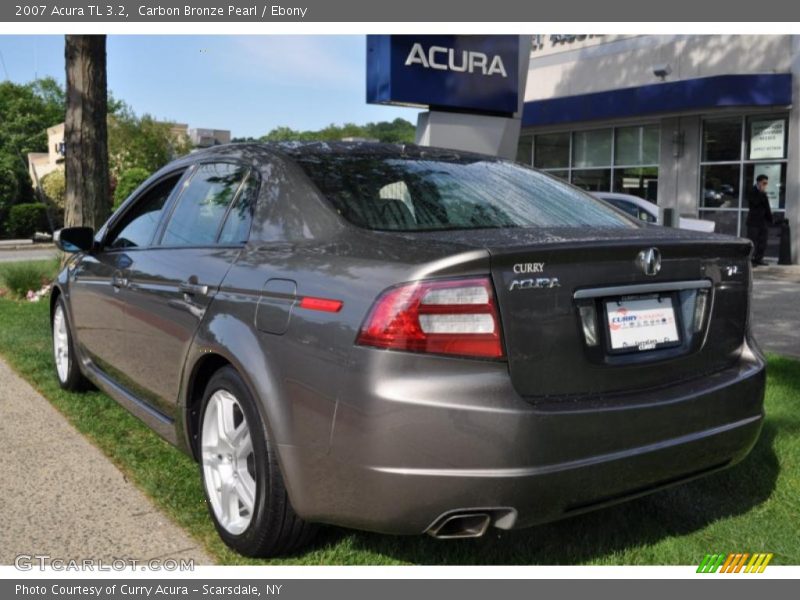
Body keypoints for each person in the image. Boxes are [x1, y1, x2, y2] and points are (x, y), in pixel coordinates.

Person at [745, 174, 773, 266]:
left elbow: (766, 207)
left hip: (762, 222)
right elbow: (755, 203)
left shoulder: (763, 193)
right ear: (759, 182)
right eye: (764, 183)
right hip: (753, 222)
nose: (765, 185)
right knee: (753, 241)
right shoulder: (752, 191)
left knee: (763, 241)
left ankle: (758, 259)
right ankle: (750, 260)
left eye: (766, 183)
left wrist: (770, 219)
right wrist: (761, 192)